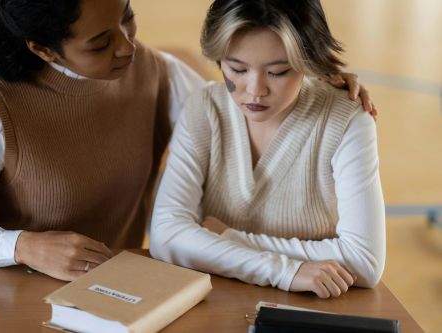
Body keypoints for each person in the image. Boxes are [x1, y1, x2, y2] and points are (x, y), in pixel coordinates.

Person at [0, 0, 374, 331]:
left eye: (126, 18)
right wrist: (21, 246)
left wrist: (315, 77)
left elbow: (236, 105)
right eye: (100, 42)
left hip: (107, 298)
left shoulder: (156, 73)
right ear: (44, 50)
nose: (127, 46)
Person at [150, 0, 385, 300]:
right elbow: (166, 236)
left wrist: (225, 238)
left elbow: (363, 262)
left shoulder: (348, 119)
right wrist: (286, 271)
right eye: (236, 68)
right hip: (216, 303)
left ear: (309, 63)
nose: (255, 90)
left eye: (278, 72)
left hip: (312, 309)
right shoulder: (203, 107)